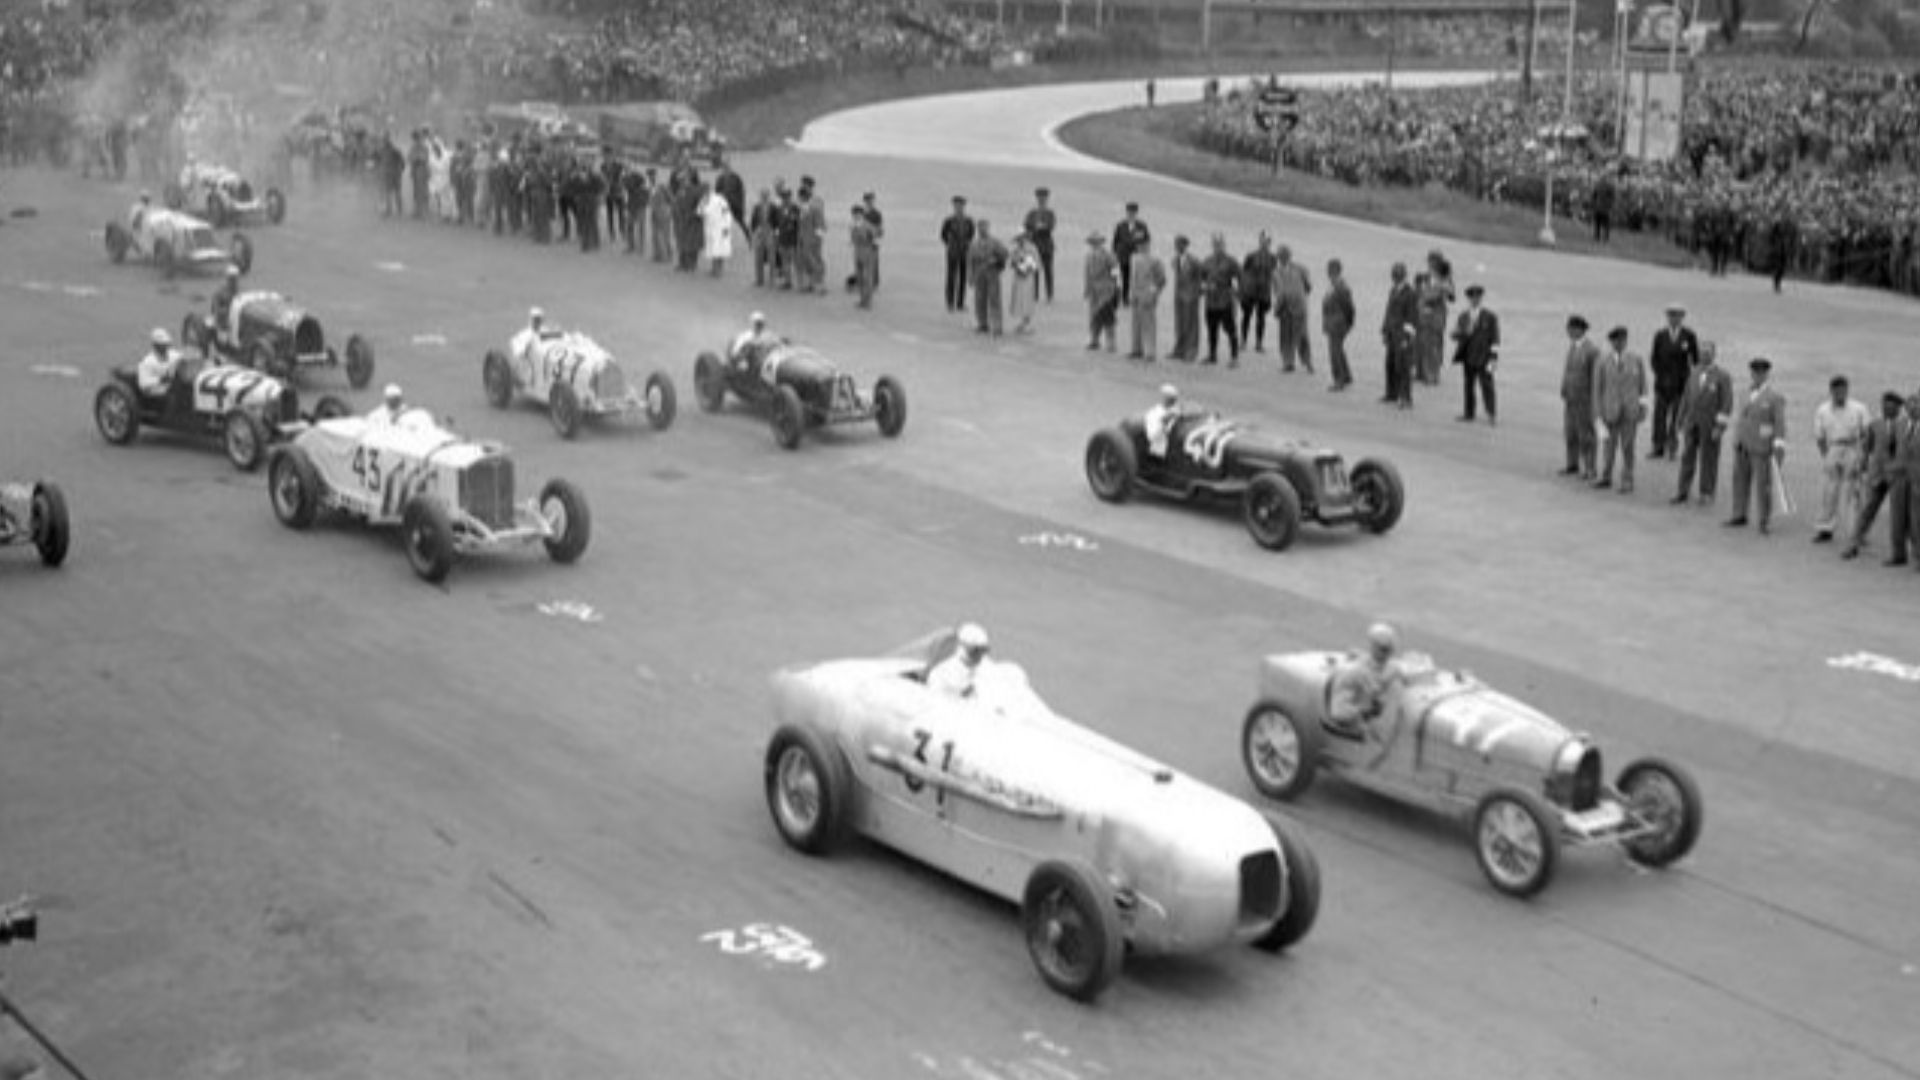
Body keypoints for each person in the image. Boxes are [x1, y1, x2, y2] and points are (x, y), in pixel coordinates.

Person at [1842, 391, 1911, 560]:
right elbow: (1866, 447)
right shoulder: (1875, 424)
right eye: (1883, 405)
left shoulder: (1907, 425)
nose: (1885, 409)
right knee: (1866, 510)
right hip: (1877, 474)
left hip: (1899, 475)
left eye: (1889, 406)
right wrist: (1861, 465)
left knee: (1901, 515)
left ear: (1898, 408)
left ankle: (1905, 552)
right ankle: (1853, 544)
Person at [1725, 357, 1789, 535]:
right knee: (1739, 480)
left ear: (1766, 374)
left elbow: (1779, 424)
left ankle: (1764, 519)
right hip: (1743, 443)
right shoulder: (1744, 393)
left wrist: (1778, 446)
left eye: (1761, 373)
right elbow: (1740, 419)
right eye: (1755, 373)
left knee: (1763, 484)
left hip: (1761, 446)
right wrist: (1736, 439)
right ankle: (1739, 513)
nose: (1757, 376)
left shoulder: (1774, 397)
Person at [1673, 341, 1734, 505]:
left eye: (1707, 352)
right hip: (1692, 422)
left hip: (1710, 424)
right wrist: (1680, 419)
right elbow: (1686, 397)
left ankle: (1706, 492)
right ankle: (1682, 490)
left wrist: (1720, 427)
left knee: (1709, 459)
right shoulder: (1694, 372)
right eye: (1701, 352)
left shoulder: (1723, 376)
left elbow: (1726, 403)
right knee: (1687, 457)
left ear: (1714, 354)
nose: (1704, 355)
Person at [1811, 375, 1871, 543]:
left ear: (1847, 390)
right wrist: (1826, 456)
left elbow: (1867, 434)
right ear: (1831, 391)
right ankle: (1825, 528)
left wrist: (1864, 456)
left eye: (1843, 389)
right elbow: (1819, 436)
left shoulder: (1859, 408)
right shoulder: (1823, 410)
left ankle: (1858, 531)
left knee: (1854, 492)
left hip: (1853, 448)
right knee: (1829, 490)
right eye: (1836, 390)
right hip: (1834, 447)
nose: (1840, 393)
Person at [1593, 326, 1647, 493]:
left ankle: (1627, 480)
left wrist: (1643, 407)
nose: (1619, 343)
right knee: (1608, 446)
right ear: (1611, 342)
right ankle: (1606, 476)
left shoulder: (1636, 359)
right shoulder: (1602, 361)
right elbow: (1597, 389)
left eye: (1622, 340)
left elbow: (1643, 386)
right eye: (1616, 341)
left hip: (1630, 411)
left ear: (1626, 341)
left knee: (1628, 447)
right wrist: (1597, 413)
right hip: (1609, 411)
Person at [1328, 623, 1406, 734]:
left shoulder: (1392, 669)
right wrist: (1364, 711)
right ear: (1372, 647)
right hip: (1359, 733)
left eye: (1390, 651)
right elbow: (1338, 713)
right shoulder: (1353, 673)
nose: (1387, 655)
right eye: (1383, 650)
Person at [1648, 303, 1701, 460]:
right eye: (1671, 316)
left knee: (1677, 417)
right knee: (1659, 416)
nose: (1674, 319)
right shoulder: (1660, 335)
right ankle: (1658, 446)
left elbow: (1695, 360)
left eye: (1677, 316)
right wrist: (1660, 375)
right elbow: (1654, 358)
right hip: (1662, 382)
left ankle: (1672, 447)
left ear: (1682, 318)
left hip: (1681, 383)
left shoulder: (1689, 336)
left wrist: (1690, 379)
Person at [1450, 284, 1499, 425]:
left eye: (1477, 297)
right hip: (1468, 356)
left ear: (1481, 298)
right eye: (1472, 297)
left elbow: (1495, 338)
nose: (1475, 300)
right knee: (1468, 386)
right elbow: (1455, 335)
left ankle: (1491, 413)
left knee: (1487, 386)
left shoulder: (1490, 317)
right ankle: (1469, 412)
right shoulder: (1464, 316)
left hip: (1485, 357)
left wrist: (1494, 358)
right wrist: (1461, 332)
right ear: (1469, 299)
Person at [1560, 316, 1601, 479]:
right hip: (1570, 397)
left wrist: (1594, 399)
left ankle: (1590, 468)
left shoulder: (1591, 350)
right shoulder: (1573, 347)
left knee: (1587, 435)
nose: (1568, 331)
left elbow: (1596, 378)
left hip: (1585, 399)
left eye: (1571, 328)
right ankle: (1572, 464)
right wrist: (1564, 388)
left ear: (1580, 329)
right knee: (1570, 432)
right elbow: (1568, 370)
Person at [1200, 234, 1242, 365]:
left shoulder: (1231, 261)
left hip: (1225, 301)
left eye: (1220, 245)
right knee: (1212, 329)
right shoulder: (1207, 261)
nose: (1218, 247)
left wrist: (1237, 292)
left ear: (1224, 245)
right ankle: (1212, 355)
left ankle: (1234, 357)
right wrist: (1204, 287)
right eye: (1215, 244)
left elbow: (1240, 277)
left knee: (1230, 329)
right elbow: (1201, 278)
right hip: (1211, 301)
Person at [1381, 263, 1418, 408]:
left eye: (1397, 275)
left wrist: (1407, 338)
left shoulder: (1410, 293)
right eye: (1394, 275)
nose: (1395, 278)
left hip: (1402, 335)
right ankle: (1391, 393)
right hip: (1392, 333)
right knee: (1390, 364)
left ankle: (1406, 397)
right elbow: (1388, 312)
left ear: (1403, 276)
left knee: (1403, 367)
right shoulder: (1393, 290)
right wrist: (1384, 330)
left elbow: (1412, 317)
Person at [1272, 245, 1313, 373]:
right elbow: (1277, 292)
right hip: (1285, 308)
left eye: (1285, 255)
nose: (1283, 258)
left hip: (1299, 307)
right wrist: (1278, 307)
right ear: (1278, 258)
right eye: (1281, 256)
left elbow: (1308, 286)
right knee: (1285, 336)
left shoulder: (1301, 269)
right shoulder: (1275, 273)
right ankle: (1288, 362)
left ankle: (1307, 361)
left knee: (1302, 335)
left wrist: (1298, 296)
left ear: (1289, 256)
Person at [928, 623, 992, 699]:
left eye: (983, 651)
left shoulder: (989, 670)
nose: (979, 656)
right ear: (962, 647)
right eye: (975, 651)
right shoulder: (941, 673)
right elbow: (936, 701)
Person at [1128, 236, 1167, 362]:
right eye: (1139, 245)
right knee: (1136, 323)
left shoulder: (1155, 260)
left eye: (1143, 245)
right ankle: (1136, 349)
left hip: (1147, 295)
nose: (1140, 247)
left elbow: (1161, 279)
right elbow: (1133, 278)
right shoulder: (1135, 259)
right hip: (1137, 295)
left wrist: (1154, 292)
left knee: (1148, 324)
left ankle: (1150, 351)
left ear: (1148, 245)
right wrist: (1132, 293)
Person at [968, 221, 1008, 336]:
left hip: (992, 273)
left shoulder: (995, 242)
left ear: (988, 228)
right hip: (979, 273)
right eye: (980, 228)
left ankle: (997, 326)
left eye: (984, 227)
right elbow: (970, 261)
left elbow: (1005, 253)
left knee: (994, 299)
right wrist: (970, 276)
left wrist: (996, 260)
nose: (982, 230)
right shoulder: (974, 244)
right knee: (979, 300)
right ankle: (982, 324)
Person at [1083, 231, 1120, 353]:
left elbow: (1115, 271)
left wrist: (1115, 287)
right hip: (1094, 291)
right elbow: (1087, 274)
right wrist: (1087, 289)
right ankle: (1094, 340)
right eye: (1092, 242)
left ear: (1100, 243)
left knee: (1108, 317)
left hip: (1106, 290)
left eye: (1096, 242)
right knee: (1094, 316)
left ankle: (1111, 342)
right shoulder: (1088, 256)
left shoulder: (1108, 255)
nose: (1094, 244)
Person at [1239, 233, 1276, 353]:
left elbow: (1274, 275)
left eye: (1267, 242)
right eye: (1263, 242)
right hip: (1251, 290)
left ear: (1269, 244)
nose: (1264, 244)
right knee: (1247, 316)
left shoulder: (1273, 258)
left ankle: (1259, 343)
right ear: (1259, 242)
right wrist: (1242, 290)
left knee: (1261, 318)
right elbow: (1244, 273)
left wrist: (1272, 292)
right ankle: (1243, 340)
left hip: (1264, 291)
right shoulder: (1251, 256)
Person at [1323, 259, 1355, 391]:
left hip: (1338, 324)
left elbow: (1349, 308)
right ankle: (1346, 375)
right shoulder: (1334, 285)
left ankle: (1339, 380)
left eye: (1330, 270)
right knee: (1339, 350)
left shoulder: (1341, 287)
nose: (1327, 272)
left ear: (1335, 271)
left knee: (1334, 352)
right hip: (1334, 323)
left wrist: (1347, 323)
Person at [939, 195, 975, 313]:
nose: (958, 208)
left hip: (964, 252)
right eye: (956, 206)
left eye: (960, 206)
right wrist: (950, 244)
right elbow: (943, 235)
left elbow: (971, 235)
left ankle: (960, 303)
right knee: (951, 277)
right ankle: (950, 302)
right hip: (953, 252)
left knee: (963, 278)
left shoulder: (969, 221)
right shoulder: (948, 221)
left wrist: (966, 245)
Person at [1022, 188, 1057, 303]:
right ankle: (1034, 294)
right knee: (1034, 270)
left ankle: (1049, 295)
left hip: (1046, 245)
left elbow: (1051, 226)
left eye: (1044, 199)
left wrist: (1040, 227)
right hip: (1034, 244)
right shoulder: (1032, 213)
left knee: (1048, 270)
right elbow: (1027, 225)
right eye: (1040, 198)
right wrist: (1036, 227)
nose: (1042, 200)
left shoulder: (1050, 213)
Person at [1112, 202, 1150, 305]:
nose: (1130, 215)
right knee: (1117, 278)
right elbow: (1115, 241)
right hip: (1122, 256)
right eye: (1129, 213)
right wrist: (1114, 255)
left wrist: (1145, 255)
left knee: (1129, 279)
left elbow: (1146, 241)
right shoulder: (1121, 225)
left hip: (1135, 257)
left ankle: (1126, 298)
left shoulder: (1141, 226)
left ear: (1136, 213)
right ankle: (1116, 297)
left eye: (1132, 213)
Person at [1169, 236, 1200, 361]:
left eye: (1179, 245)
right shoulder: (1175, 259)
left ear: (1185, 246)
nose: (1177, 247)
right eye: (1176, 245)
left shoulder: (1193, 260)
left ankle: (1191, 351)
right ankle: (1179, 349)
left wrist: (1196, 292)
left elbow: (1200, 277)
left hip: (1191, 296)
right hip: (1179, 296)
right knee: (1180, 323)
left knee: (1191, 324)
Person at [137, 328, 184, 399]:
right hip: (154, 392)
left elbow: (184, 358)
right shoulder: (147, 362)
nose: (165, 347)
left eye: (166, 344)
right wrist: (160, 380)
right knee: (173, 393)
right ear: (155, 345)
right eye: (162, 345)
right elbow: (143, 383)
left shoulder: (173, 355)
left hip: (170, 385)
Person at [1008, 231, 1040, 334]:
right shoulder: (1016, 249)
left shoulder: (1032, 249)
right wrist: (1016, 265)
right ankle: (1023, 322)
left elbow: (1036, 264)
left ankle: (1027, 322)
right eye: (1018, 239)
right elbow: (1012, 262)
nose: (1019, 241)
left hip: (1028, 278)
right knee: (1019, 299)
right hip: (1018, 277)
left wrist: (1026, 269)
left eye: (1021, 239)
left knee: (1027, 299)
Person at [850, 204, 880, 309]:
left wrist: (872, 251)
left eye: (857, 214)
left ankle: (868, 301)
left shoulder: (868, 226)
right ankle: (862, 300)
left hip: (867, 253)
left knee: (867, 278)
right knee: (860, 278)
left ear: (862, 214)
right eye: (854, 214)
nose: (855, 216)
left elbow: (876, 239)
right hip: (857, 253)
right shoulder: (853, 226)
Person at [1143, 384, 1181, 459]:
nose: (1173, 402)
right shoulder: (1154, 414)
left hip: (1173, 454)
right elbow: (1152, 436)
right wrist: (1163, 422)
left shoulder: (1176, 412)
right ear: (1164, 399)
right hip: (1157, 453)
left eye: (1173, 399)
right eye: (1170, 399)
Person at [210, 266, 241, 344]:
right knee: (223, 341)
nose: (234, 281)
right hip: (224, 321)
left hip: (238, 319)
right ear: (227, 278)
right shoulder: (220, 292)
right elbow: (215, 308)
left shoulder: (240, 290)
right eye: (232, 278)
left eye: (235, 278)